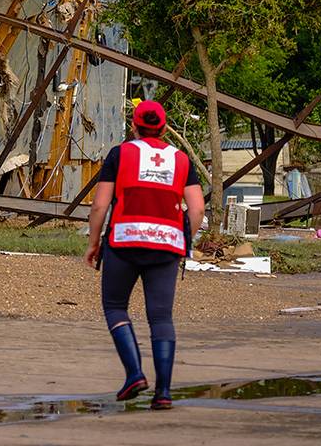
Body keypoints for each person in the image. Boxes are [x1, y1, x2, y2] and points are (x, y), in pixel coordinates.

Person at [84, 100, 204, 410]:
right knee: (161, 317)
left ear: (134, 126)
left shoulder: (120, 154)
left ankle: (135, 374)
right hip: (166, 245)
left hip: (124, 241)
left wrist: (93, 242)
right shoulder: (181, 159)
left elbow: (100, 205)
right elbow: (198, 207)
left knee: (114, 306)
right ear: (164, 129)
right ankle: (163, 392)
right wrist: (181, 239)